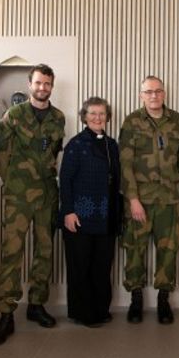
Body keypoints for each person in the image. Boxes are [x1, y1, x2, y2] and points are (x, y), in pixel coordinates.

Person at [0, 64, 65, 345]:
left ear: (51, 86)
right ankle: (6, 312)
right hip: (19, 194)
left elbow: (53, 153)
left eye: (47, 84)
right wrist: (12, 184)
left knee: (45, 250)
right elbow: (2, 153)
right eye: (38, 83)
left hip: (47, 193)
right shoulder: (14, 115)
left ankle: (36, 304)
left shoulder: (58, 118)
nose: (42, 88)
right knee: (12, 252)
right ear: (30, 84)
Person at [119, 75, 179, 324]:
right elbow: (125, 164)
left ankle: (163, 300)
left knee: (168, 251)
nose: (153, 96)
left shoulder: (177, 121)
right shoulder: (132, 122)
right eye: (148, 92)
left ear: (164, 94)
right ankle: (135, 299)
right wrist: (133, 199)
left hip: (170, 200)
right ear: (141, 95)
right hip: (140, 200)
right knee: (135, 249)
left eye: (158, 91)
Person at [58, 97, 121, 327]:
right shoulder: (76, 144)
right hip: (80, 216)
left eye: (102, 114)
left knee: (102, 266)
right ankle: (83, 313)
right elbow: (65, 180)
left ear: (107, 117)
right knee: (81, 266)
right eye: (93, 113)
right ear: (84, 116)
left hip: (106, 217)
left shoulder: (112, 144)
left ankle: (100, 310)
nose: (97, 118)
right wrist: (68, 211)